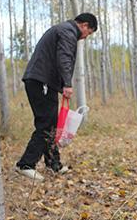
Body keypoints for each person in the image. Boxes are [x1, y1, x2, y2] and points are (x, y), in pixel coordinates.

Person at [15, 13, 98, 181]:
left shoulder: (64, 30)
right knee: (46, 123)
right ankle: (26, 164)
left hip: (44, 81)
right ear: (84, 25)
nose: (85, 37)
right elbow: (64, 58)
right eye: (88, 33)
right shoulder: (68, 32)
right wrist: (67, 83)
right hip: (41, 81)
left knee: (52, 123)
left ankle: (54, 164)